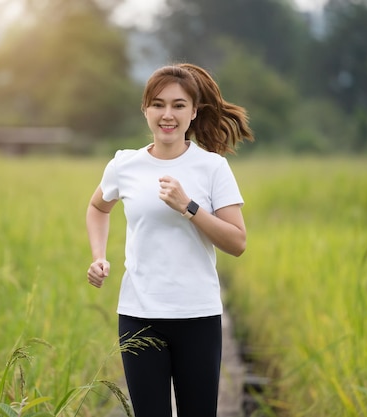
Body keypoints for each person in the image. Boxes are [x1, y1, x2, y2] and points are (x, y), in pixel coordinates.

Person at [86, 63, 254, 417]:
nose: (168, 114)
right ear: (145, 109)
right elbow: (97, 207)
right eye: (158, 104)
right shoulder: (124, 165)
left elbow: (237, 242)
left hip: (197, 315)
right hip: (138, 313)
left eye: (179, 105)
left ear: (194, 112)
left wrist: (188, 206)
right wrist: (98, 256)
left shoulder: (212, 167)